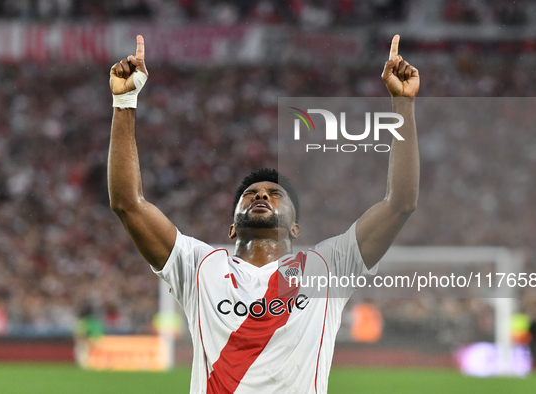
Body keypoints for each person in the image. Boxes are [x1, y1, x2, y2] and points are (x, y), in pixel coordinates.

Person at [108, 34, 419, 393]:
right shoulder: (199, 267)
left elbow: (400, 203)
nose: (261, 196)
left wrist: (403, 105)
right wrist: (124, 100)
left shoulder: (328, 267)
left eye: (274, 194)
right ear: (230, 228)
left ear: (296, 227)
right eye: (251, 194)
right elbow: (127, 203)